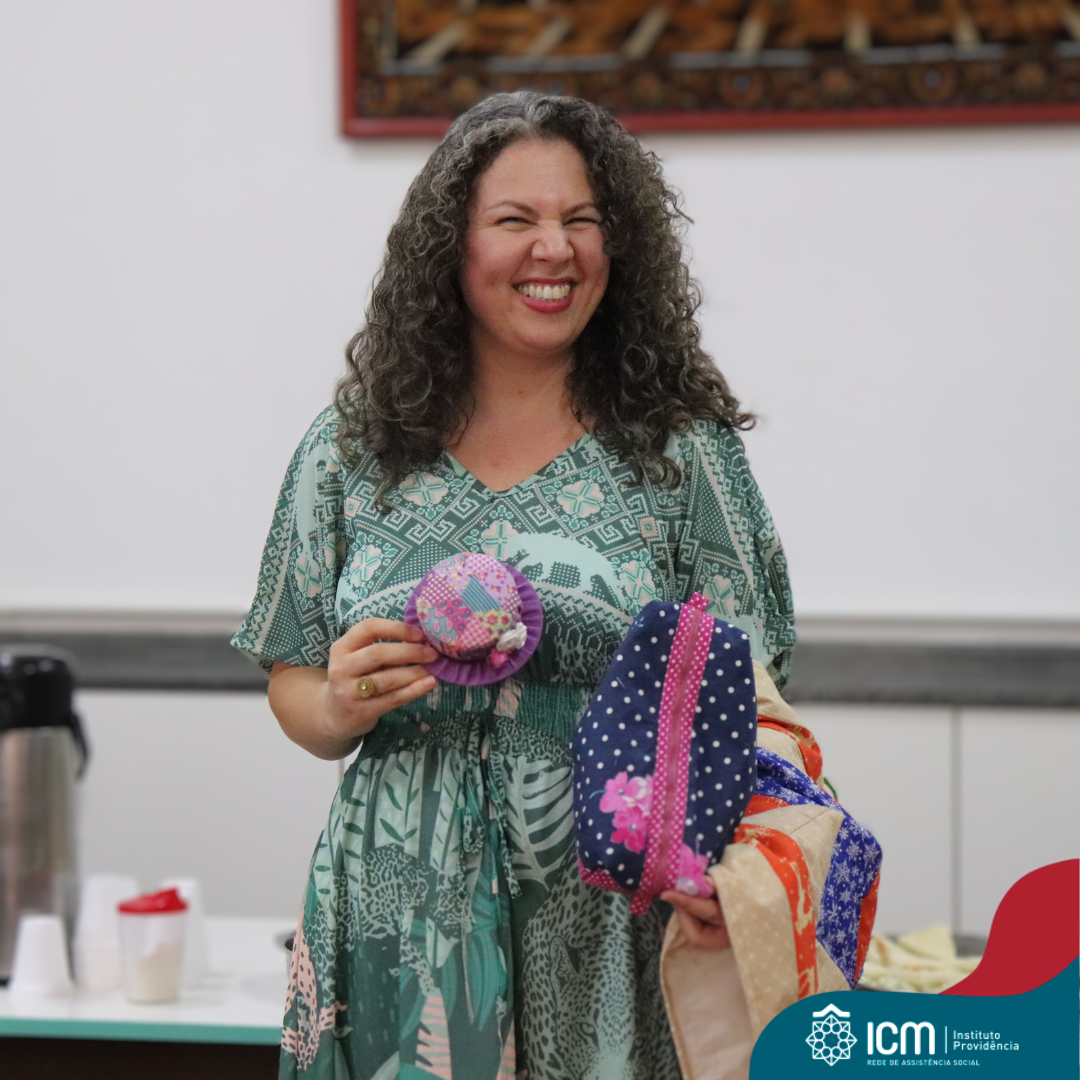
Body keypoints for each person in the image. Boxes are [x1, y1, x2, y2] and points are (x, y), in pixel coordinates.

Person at [233, 91, 795, 1080]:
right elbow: (293, 676)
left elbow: (756, 694)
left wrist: (739, 865)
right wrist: (335, 705)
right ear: (450, 247)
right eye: (514, 220)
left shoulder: (681, 449)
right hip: (399, 915)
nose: (556, 249)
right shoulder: (352, 447)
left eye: (583, 220)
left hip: (615, 922)